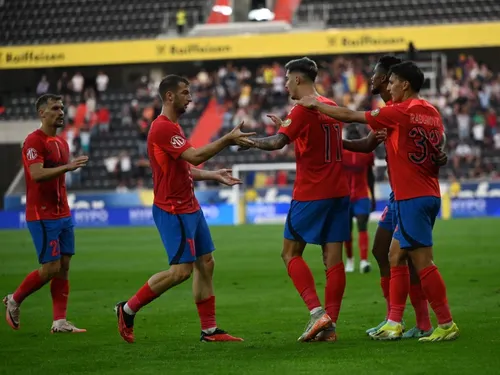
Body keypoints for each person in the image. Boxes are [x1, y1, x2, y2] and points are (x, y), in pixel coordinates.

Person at [297, 61, 460, 342]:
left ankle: (444, 323)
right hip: (422, 191)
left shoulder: (397, 112)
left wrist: (316, 106)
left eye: (391, 81)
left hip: (411, 195)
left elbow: (349, 115)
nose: (387, 85)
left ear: (402, 83)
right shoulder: (431, 111)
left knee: (422, 261)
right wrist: (439, 154)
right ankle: (394, 321)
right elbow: (436, 142)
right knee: (393, 254)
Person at [240, 57, 383, 342]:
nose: (284, 84)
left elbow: (277, 142)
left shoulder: (303, 108)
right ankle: (330, 326)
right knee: (333, 260)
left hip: (311, 193)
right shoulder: (329, 105)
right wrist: (289, 129)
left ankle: (317, 313)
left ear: (297, 79)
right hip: (339, 193)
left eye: (286, 78)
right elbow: (324, 141)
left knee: (290, 253)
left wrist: (248, 141)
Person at [115, 75, 254, 343]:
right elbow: (194, 156)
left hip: (190, 205)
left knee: (206, 263)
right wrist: (227, 139)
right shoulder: (162, 128)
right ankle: (128, 309)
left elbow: (184, 167)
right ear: (170, 96)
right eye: (185, 93)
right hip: (172, 209)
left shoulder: (174, 127)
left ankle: (210, 330)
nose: (190, 98)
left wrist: (213, 176)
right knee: (181, 271)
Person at [4, 94, 88, 333]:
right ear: (42, 113)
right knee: (50, 267)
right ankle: (15, 299)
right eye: (55, 108)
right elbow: (37, 174)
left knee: (64, 265)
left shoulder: (62, 143)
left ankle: (60, 321)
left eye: (62, 108)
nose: (61, 112)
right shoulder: (34, 141)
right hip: (42, 214)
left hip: (63, 213)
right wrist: (68, 166)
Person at [342, 125, 375, 274]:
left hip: (355, 196)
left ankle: (359, 261)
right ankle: (356, 260)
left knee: (353, 229)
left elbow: (369, 175)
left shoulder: (365, 153)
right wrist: (372, 196)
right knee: (356, 229)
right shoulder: (365, 152)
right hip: (354, 196)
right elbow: (371, 176)